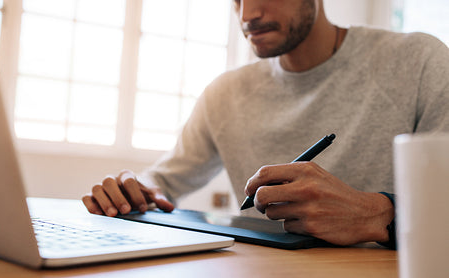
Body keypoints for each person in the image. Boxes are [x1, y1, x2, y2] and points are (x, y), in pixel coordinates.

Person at [82, 0, 449, 248]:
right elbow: (163, 181)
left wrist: (379, 213)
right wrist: (135, 189)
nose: (247, 14)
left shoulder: (418, 62)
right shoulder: (224, 93)